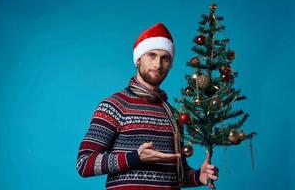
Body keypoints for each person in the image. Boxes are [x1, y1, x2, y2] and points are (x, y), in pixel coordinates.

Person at [76, 23, 219, 190]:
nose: (158, 64)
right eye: (151, 55)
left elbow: (175, 174)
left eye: (165, 58)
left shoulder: (173, 114)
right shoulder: (114, 106)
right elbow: (84, 163)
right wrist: (135, 157)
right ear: (138, 60)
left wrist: (197, 177)